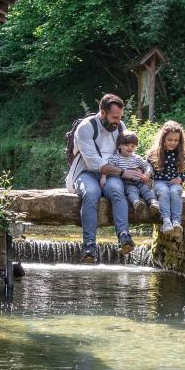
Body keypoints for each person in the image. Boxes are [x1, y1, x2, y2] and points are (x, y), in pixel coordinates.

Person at [66, 93, 138, 263]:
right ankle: (89, 245)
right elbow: (94, 163)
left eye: (120, 117)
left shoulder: (120, 126)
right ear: (102, 112)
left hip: (111, 173)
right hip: (85, 172)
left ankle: (124, 236)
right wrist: (122, 172)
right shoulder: (86, 127)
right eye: (114, 117)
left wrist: (137, 170)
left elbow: (125, 154)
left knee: (117, 190)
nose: (118, 121)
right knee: (91, 193)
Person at [101, 132, 161, 218]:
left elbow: (148, 165)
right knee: (131, 191)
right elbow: (108, 169)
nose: (129, 148)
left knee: (145, 190)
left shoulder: (136, 158)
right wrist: (103, 177)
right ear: (119, 146)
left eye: (132, 146)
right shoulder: (115, 158)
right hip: (126, 182)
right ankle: (136, 203)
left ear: (136, 147)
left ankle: (153, 202)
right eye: (126, 145)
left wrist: (147, 173)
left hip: (139, 181)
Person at [147, 121, 185, 238]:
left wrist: (180, 178)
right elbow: (148, 170)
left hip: (174, 183)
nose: (173, 143)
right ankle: (166, 220)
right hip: (159, 183)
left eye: (176, 140)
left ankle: (176, 222)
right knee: (164, 191)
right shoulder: (154, 153)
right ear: (163, 139)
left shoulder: (183, 154)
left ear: (180, 141)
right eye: (170, 140)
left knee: (174, 192)